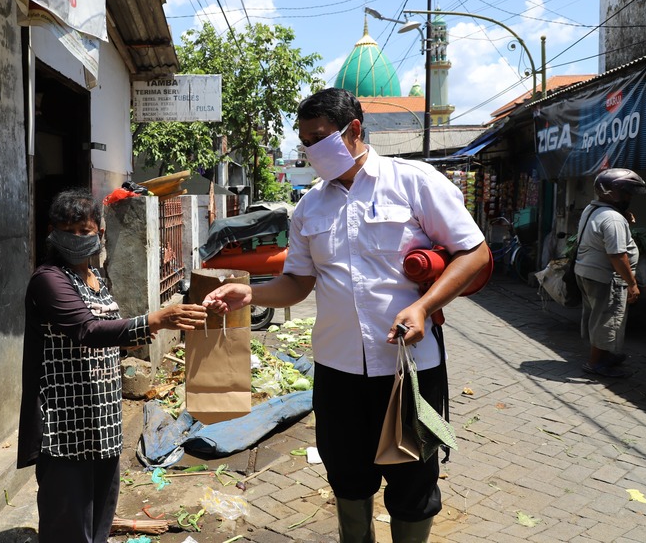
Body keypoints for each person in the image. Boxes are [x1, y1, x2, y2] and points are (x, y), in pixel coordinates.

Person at [203, 88, 490, 543]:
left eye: (319, 137)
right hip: (337, 371)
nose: (310, 150)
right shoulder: (309, 207)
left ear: (354, 130)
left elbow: (474, 253)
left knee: (413, 479)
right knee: (346, 476)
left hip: (408, 370)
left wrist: (423, 306)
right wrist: (249, 293)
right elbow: (298, 283)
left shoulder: (413, 182)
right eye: (304, 141)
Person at [17, 188, 208, 543]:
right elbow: (87, 330)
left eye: (84, 230)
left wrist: (140, 333)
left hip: (103, 421)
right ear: (51, 232)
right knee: (68, 525)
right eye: (67, 230)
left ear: (100, 233)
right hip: (65, 426)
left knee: (99, 519)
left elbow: (110, 331)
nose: (76, 238)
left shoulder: (96, 277)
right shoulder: (49, 279)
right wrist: (154, 320)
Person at [575, 168, 646, 378]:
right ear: (612, 193)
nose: (629, 197)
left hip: (588, 272)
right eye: (626, 192)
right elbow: (617, 255)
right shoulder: (613, 219)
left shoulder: (593, 208)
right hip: (604, 277)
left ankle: (604, 355)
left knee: (598, 316)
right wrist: (632, 284)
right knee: (606, 319)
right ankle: (595, 363)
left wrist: (622, 217)